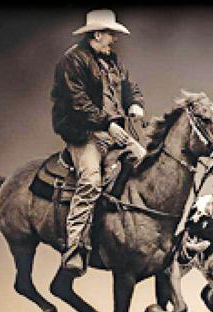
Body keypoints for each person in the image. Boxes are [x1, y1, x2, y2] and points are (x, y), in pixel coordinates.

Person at [50, 9, 147, 276]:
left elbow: (129, 87)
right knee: (91, 181)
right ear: (96, 34)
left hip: (112, 130)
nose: (114, 39)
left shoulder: (112, 61)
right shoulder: (72, 61)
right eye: (111, 34)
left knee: (146, 162)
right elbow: (78, 102)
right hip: (84, 133)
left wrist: (135, 103)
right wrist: (108, 124)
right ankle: (74, 249)